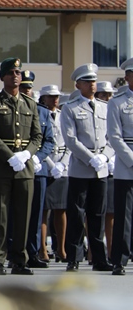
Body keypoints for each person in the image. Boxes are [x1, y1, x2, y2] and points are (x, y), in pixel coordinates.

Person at [0, 58, 42, 275]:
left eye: (18, 72)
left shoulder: (30, 104)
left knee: (23, 216)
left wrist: (26, 153)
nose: (15, 76)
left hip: (24, 167)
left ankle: (19, 260)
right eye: (10, 73)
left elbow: (37, 136)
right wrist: (9, 156)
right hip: (0, 166)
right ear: (2, 77)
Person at [61, 63, 114, 272]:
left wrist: (104, 156)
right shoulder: (70, 108)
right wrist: (91, 158)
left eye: (93, 81)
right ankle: (73, 258)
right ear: (78, 85)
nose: (92, 85)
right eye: (87, 81)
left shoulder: (105, 107)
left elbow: (111, 137)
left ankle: (99, 258)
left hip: (101, 168)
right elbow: (71, 140)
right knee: (76, 215)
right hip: (81, 168)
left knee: (98, 214)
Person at [20, 71, 55, 269]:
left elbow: (49, 141)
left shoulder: (42, 111)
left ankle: (32, 252)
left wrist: (37, 157)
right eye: (23, 87)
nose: (27, 91)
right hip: (17, 167)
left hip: (38, 169)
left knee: (36, 213)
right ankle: (15, 251)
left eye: (29, 88)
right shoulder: (13, 108)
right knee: (17, 212)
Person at [37, 84, 69, 263]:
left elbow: (70, 141)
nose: (55, 99)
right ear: (43, 98)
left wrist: (62, 164)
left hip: (62, 166)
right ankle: (43, 248)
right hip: (45, 165)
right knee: (44, 210)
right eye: (50, 96)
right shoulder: (39, 115)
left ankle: (61, 248)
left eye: (56, 96)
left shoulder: (64, 115)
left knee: (61, 210)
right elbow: (40, 142)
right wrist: (51, 164)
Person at [108, 58, 133, 275]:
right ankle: (120, 259)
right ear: (128, 77)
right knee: (124, 215)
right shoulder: (117, 102)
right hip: (127, 165)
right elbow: (115, 137)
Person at [97, 80, 116, 257]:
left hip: (117, 166)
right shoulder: (98, 111)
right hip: (99, 165)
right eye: (104, 95)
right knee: (100, 212)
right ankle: (96, 251)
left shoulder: (116, 110)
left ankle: (111, 250)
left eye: (110, 95)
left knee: (113, 213)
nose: (107, 98)